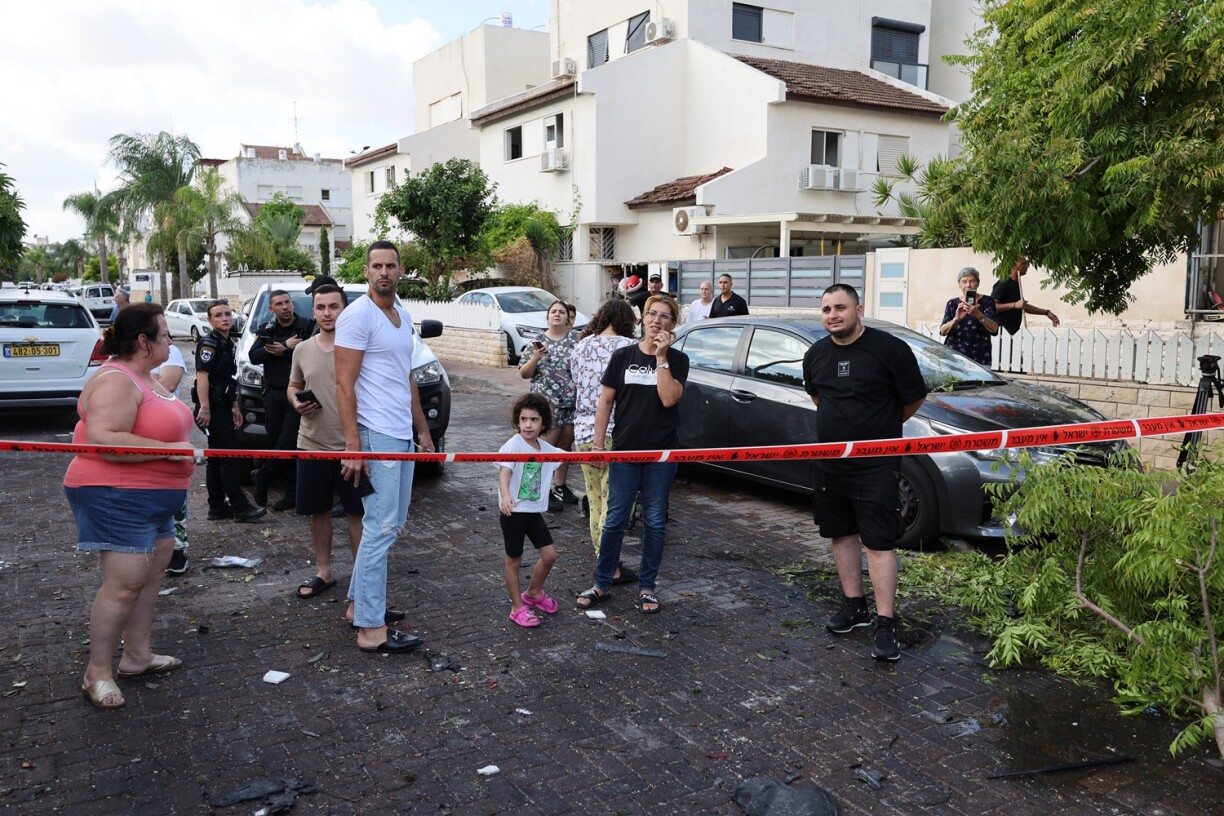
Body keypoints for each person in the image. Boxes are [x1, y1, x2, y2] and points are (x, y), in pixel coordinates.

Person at [64, 304, 196, 709]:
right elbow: (103, 438)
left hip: (155, 500)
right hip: (116, 495)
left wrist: (176, 456)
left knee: (148, 579)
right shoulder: (117, 381)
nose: (171, 341)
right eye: (165, 334)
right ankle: (97, 673)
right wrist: (174, 451)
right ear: (144, 341)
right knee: (123, 586)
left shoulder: (148, 378)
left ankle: (137, 656)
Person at [802, 284, 927, 662]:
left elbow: (913, 398)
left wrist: (878, 433)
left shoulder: (890, 349)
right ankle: (854, 606)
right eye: (826, 309)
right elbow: (819, 398)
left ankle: (885, 621)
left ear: (859, 309)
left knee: (878, 541)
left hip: (877, 464)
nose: (832, 315)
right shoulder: (815, 355)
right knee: (840, 533)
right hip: (831, 465)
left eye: (840, 307)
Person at [336, 240, 436, 654]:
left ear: (400, 270)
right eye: (376, 265)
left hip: (401, 434)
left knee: (389, 526)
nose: (383, 272)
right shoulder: (356, 316)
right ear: (365, 271)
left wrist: (423, 429)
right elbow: (343, 385)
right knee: (379, 528)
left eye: (390, 265)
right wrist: (354, 446)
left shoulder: (401, 313)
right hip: (375, 434)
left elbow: (406, 375)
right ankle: (370, 629)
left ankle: (359, 604)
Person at [576, 294, 689, 615]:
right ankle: (601, 583)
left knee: (654, 521)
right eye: (652, 313)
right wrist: (598, 446)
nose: (657, 320)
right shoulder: (623, 356)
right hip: (624, 452)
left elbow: (668, 399)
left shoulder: (678, 360)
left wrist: (661, 357)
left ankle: (648, 587)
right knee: (614, 520)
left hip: (662, 456)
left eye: (665, 316)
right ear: (642, 319)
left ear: (672, 324)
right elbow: (605, 402)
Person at [288, 284, 363, 600]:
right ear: (313, 311)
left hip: (352, 447)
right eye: (321, 307)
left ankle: (363, 577)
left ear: (345, 309)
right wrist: (296, 402)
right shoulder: (302, 350)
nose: (328, 313)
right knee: (317, 511)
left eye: (334, 306)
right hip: (312, 444)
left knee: (357, 514)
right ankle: (324, 572)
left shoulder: (359, 347)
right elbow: (293, 386)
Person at [569, 299, 638, 585]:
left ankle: (603, 559)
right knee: (617, 503)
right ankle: (610, 564)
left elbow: (576, 383)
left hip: (584, 432)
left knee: (595, 499)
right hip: (618, 432)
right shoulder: (629, 348)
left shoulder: (581, 346)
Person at [194, 300, 266, 524]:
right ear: (210, 320)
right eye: (218, 315)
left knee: (216, 458)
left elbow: (228, 380)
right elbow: (202, 377)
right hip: (212, 409)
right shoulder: (209, 344)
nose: (224, 318)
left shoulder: (227, 342)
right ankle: (239, 506)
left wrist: (234, 405)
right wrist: (205, 408)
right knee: (230, 457)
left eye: (227, 314)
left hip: (223, 406)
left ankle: (216, 507)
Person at [497, 393, 562, 628]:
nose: (528, 424)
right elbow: (504, 472)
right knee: (514, 560)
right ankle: (517, 607)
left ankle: (533, 593)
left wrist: (598, 456)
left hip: (533, 512)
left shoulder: (546, 448)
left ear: (543, 422)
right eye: (524, 419)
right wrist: (505, 496)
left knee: (550, 555)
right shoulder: (513, 445)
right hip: (512, 512)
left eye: (534, 420)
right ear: (518, 421)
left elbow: (573, 458)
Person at [249, 289, 313, 511]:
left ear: (292, 304)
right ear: (271, 309)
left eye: (287, 302)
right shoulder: (268, 329)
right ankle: (291, 494)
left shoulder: (306, 326)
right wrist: (286, 346)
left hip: (298, 393)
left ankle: (263, 476)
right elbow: (254, 355)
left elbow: (312, 351)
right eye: (279, 304)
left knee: (288, 443)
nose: (285, 307)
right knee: (278, 442)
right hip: (274, 394)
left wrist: (282, 349)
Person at [518, 300, 579, 511]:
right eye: (553, 311)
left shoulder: (576, 340)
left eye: (561, 311)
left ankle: (559, 487)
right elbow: (524, 373)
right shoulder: (537, 342)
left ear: (568, 317)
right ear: (548, 316)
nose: (557, 314)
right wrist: (536, 357)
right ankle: (533, 489)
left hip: (571, 402)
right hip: (547, 404)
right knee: (542, 447)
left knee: (564, 447)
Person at [152, 341, 191, 575]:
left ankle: (177, 551)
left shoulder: (171, 352)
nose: (168, 340)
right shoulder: (119, 362)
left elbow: (167, 384)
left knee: (174, 497)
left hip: (169, 435)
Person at [938, 267, 999, 366]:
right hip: (954, 356)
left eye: (972, 281)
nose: (968, 285)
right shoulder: (952, 303)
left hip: (980, 356)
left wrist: (979, 315)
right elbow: (942, 331)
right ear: (959, 285)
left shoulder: (987, 301)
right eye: (964, 282)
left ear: (978, 283)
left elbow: (994, 329)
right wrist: (956, 319)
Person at [991, 257, 1061, 335]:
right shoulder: (1004, 283)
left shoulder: (1016, 283)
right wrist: (1014, 305)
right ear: (1013, 266)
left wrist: (1046, 312)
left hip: (1013, 332)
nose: (1027, 266)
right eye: (1023, 263)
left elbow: (1023, 306)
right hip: (1002, 334)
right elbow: (992, 307)